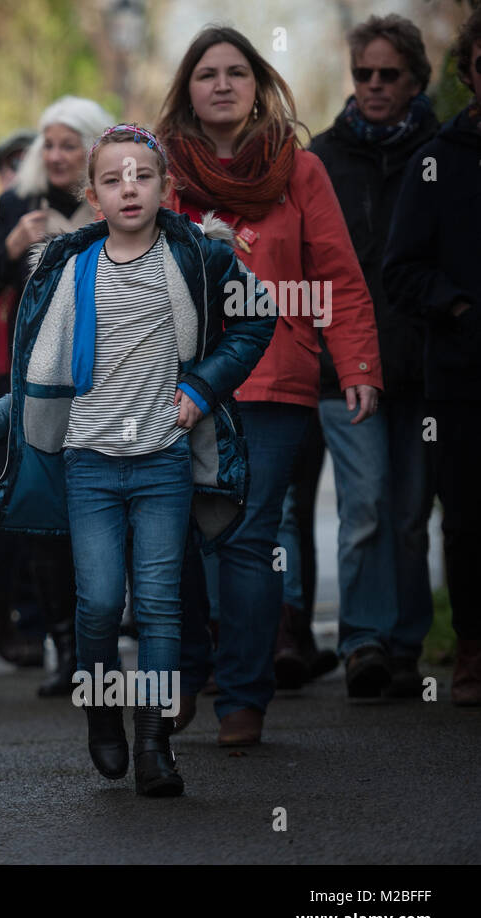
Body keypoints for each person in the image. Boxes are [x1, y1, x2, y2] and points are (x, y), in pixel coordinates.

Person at [0, 124, 275, 796]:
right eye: (112, 178)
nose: (129, 187)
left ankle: (154, 743)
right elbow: (40, 381)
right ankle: (102, 708)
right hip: (90, 467)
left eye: (143, 175)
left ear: (166, 188)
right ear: (93, 198)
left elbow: (258, 316)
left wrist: (202, 385)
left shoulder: (194, 255)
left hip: (163, 462)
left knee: (160, 608)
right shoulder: (67, 268)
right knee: (99, 607)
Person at [156, 26, 383, 744]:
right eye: (206, 74)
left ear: (257, 86)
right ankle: (188, 674)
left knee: (248, 539)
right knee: (178, 538)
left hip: (274, 382)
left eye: (236, 73)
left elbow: (338, 278)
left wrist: (356, 366)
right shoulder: (157, 170)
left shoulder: (301, 171)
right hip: (175, 386)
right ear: (187, 90)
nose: (221, 85)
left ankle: (244, 697)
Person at [301, 13, 440, 697]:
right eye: (364, 74)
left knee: (412, 515)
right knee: (365, 507)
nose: (376, 86)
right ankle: (361, 642)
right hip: (340, 370)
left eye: (390, 74)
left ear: (417, 79)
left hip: (421, 368)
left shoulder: (442, 151)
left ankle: (407, 642)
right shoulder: (320, 157)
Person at [0, 96, 115, 678]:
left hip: (110, 376)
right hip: (38, 378)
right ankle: (65, 649)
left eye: (69, 144)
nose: (57, 155)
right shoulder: (17, 202)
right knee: (47, 516)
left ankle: (98, 647)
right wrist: (10, 248)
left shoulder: (114, 198)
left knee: (100, 511)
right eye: (49, 143)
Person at [384, 7, 481, 707]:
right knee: (468, 518)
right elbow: (401, 270)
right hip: (462, 379)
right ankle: (472, 650)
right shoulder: (436, 163)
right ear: (468, 72)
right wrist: (458, 306)